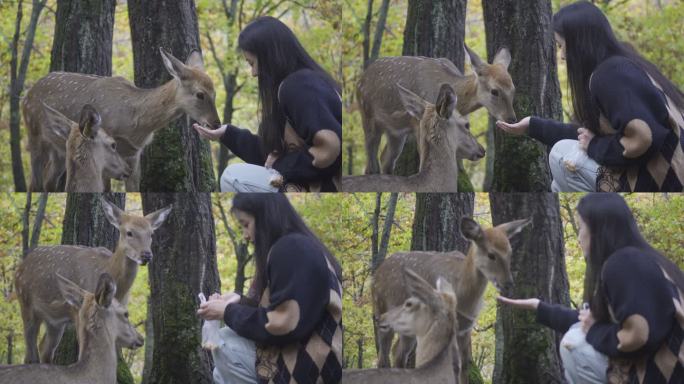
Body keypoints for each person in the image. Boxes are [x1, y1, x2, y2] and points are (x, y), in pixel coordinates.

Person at [496, 1, 684, 192]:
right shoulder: (628, 64)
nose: (562, 56)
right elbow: (588, 136)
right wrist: (532, 125)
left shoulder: (610, 74)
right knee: (557, 183)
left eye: (562, 46)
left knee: (561, 154)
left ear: (580, 43)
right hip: (666, 176)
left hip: (663, 181)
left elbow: (643, 138)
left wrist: (594, 146)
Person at [498, 193, 684, 383]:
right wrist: (540, 308)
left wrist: (595, 331)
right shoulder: (651, 261)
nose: (579, 237)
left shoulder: (623, 262)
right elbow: (590, 321)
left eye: (581, 228)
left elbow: (638, 336)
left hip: (664, 375)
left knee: (574, 342)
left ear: (598, 230)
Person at [197, 194, 343, 384]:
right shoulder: (299, 245)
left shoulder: (292, 248)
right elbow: (288, 308)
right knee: (219, 373)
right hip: (315, 362)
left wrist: (227, 312)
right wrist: (240, 301)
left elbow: (284, 324)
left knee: (226, 345)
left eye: (246, 224)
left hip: (310, 369)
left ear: (266, 217)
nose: (246, 236)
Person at [194, 16, 342, 192]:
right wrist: (227, 134)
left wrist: (281, 165)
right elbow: (270, 158)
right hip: (310, 186)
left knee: (232, 176)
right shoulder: (298, 84)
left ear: (270, 56)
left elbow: (330, 149)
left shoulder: (300, 85)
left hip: (325, 189)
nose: (254, 73)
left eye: (253, 63)